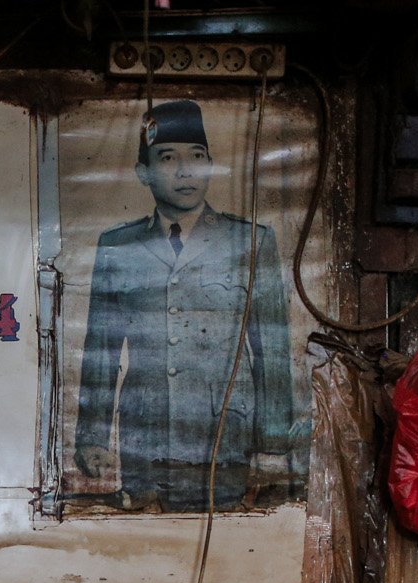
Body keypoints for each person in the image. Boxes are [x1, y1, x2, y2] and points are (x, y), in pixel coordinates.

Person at [73, 99, 294, 513]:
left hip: (224, 437)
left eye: (197, 157)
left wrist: (274, 444)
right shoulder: (118, 245)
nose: (185, 171)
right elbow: (100, 351)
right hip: (145, 434)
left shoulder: (250, 242)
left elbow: (274, 352)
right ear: (144, 172)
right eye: (167, 158)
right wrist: (92, 437)